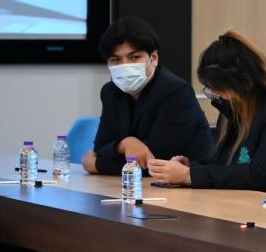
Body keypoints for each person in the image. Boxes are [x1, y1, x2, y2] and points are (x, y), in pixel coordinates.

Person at [147, 30, 266, 194]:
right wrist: (189, 168)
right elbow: (222, 163)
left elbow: (262, 175)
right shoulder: (232, 109)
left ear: (244, 82)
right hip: (241, 201)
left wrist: (189, 175)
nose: (216, 95)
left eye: (219, 88)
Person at [83, 17, 212, 175]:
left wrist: (96, 164)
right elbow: (101, 147)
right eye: (115, 60)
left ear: (154, 58)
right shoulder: (111, 92)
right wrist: (125, 144)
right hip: (139, 185)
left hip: (190, 184)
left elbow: (156, 162)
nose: (125, 65)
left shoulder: (176, 91)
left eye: (134, 57)